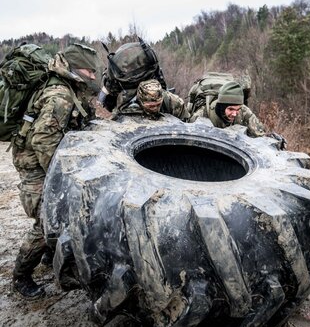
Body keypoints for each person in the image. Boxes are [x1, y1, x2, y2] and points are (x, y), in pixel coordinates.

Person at [11, 43, 100, 299]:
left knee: (56, 216)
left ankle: (51, 254)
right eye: (88, 71)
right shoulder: (59, 95)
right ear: (74, 69)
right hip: (35, 165)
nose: (92, 76)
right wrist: (60, 175)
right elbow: (42, 140)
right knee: (46, 219)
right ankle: (20, 276)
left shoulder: (68, 89)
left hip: (40, 160)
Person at [190, 81, 266, 137]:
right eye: (231, 109)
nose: (234, 114)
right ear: (221, 107)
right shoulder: (203, 114)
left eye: (237, 109)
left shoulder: (244, 112)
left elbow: (261, 137)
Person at [118, 79, 190, 121]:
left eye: (158, 104)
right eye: (151, 106)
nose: (155, 108)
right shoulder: (127, 109)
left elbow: (187, 123)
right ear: (140, 101)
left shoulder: (174, 103)